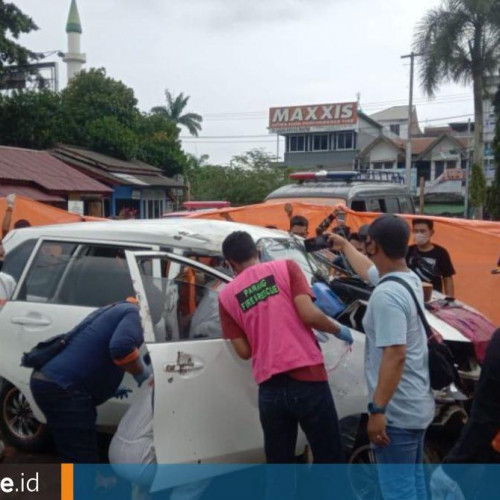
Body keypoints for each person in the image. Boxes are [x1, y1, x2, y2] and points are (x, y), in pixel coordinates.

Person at [218, 231, 353, 464]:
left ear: (230, 264)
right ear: (258, 252)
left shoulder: (226, 296)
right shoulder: (286, 268)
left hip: (270, 389)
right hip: (308, 378)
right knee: (329, 457)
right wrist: (338, 329)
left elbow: (244, 351)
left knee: (279, 465)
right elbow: (309, 314)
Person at [329, 215, 434, 500]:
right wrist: (343, 246)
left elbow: (395, 355)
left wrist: (377, 411)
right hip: (415, 404)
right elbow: (369, 271)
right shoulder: (406, 278)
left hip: (396, 413)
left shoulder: (386, 296)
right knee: (413, 487)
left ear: (372, 244)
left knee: (398, 493)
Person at [30, 298, 156, 463]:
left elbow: (93, 352)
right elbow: (121, 348)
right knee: (81, 459)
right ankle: (80, 489)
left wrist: (109, 389)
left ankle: (75, 487)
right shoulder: (135, 314)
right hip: (64, 389)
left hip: (51, 383)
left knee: (71, 453)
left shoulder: (115, 309)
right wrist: (142, 373)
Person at [406, 218, 455, 297]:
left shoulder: (441, 253)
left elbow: (447, 278)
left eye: (422, 231)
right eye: (416, 231)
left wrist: (449, 300)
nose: (419, 234)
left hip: (434, 297)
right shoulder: (407, 251)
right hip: (412, 296)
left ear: (431, 232)